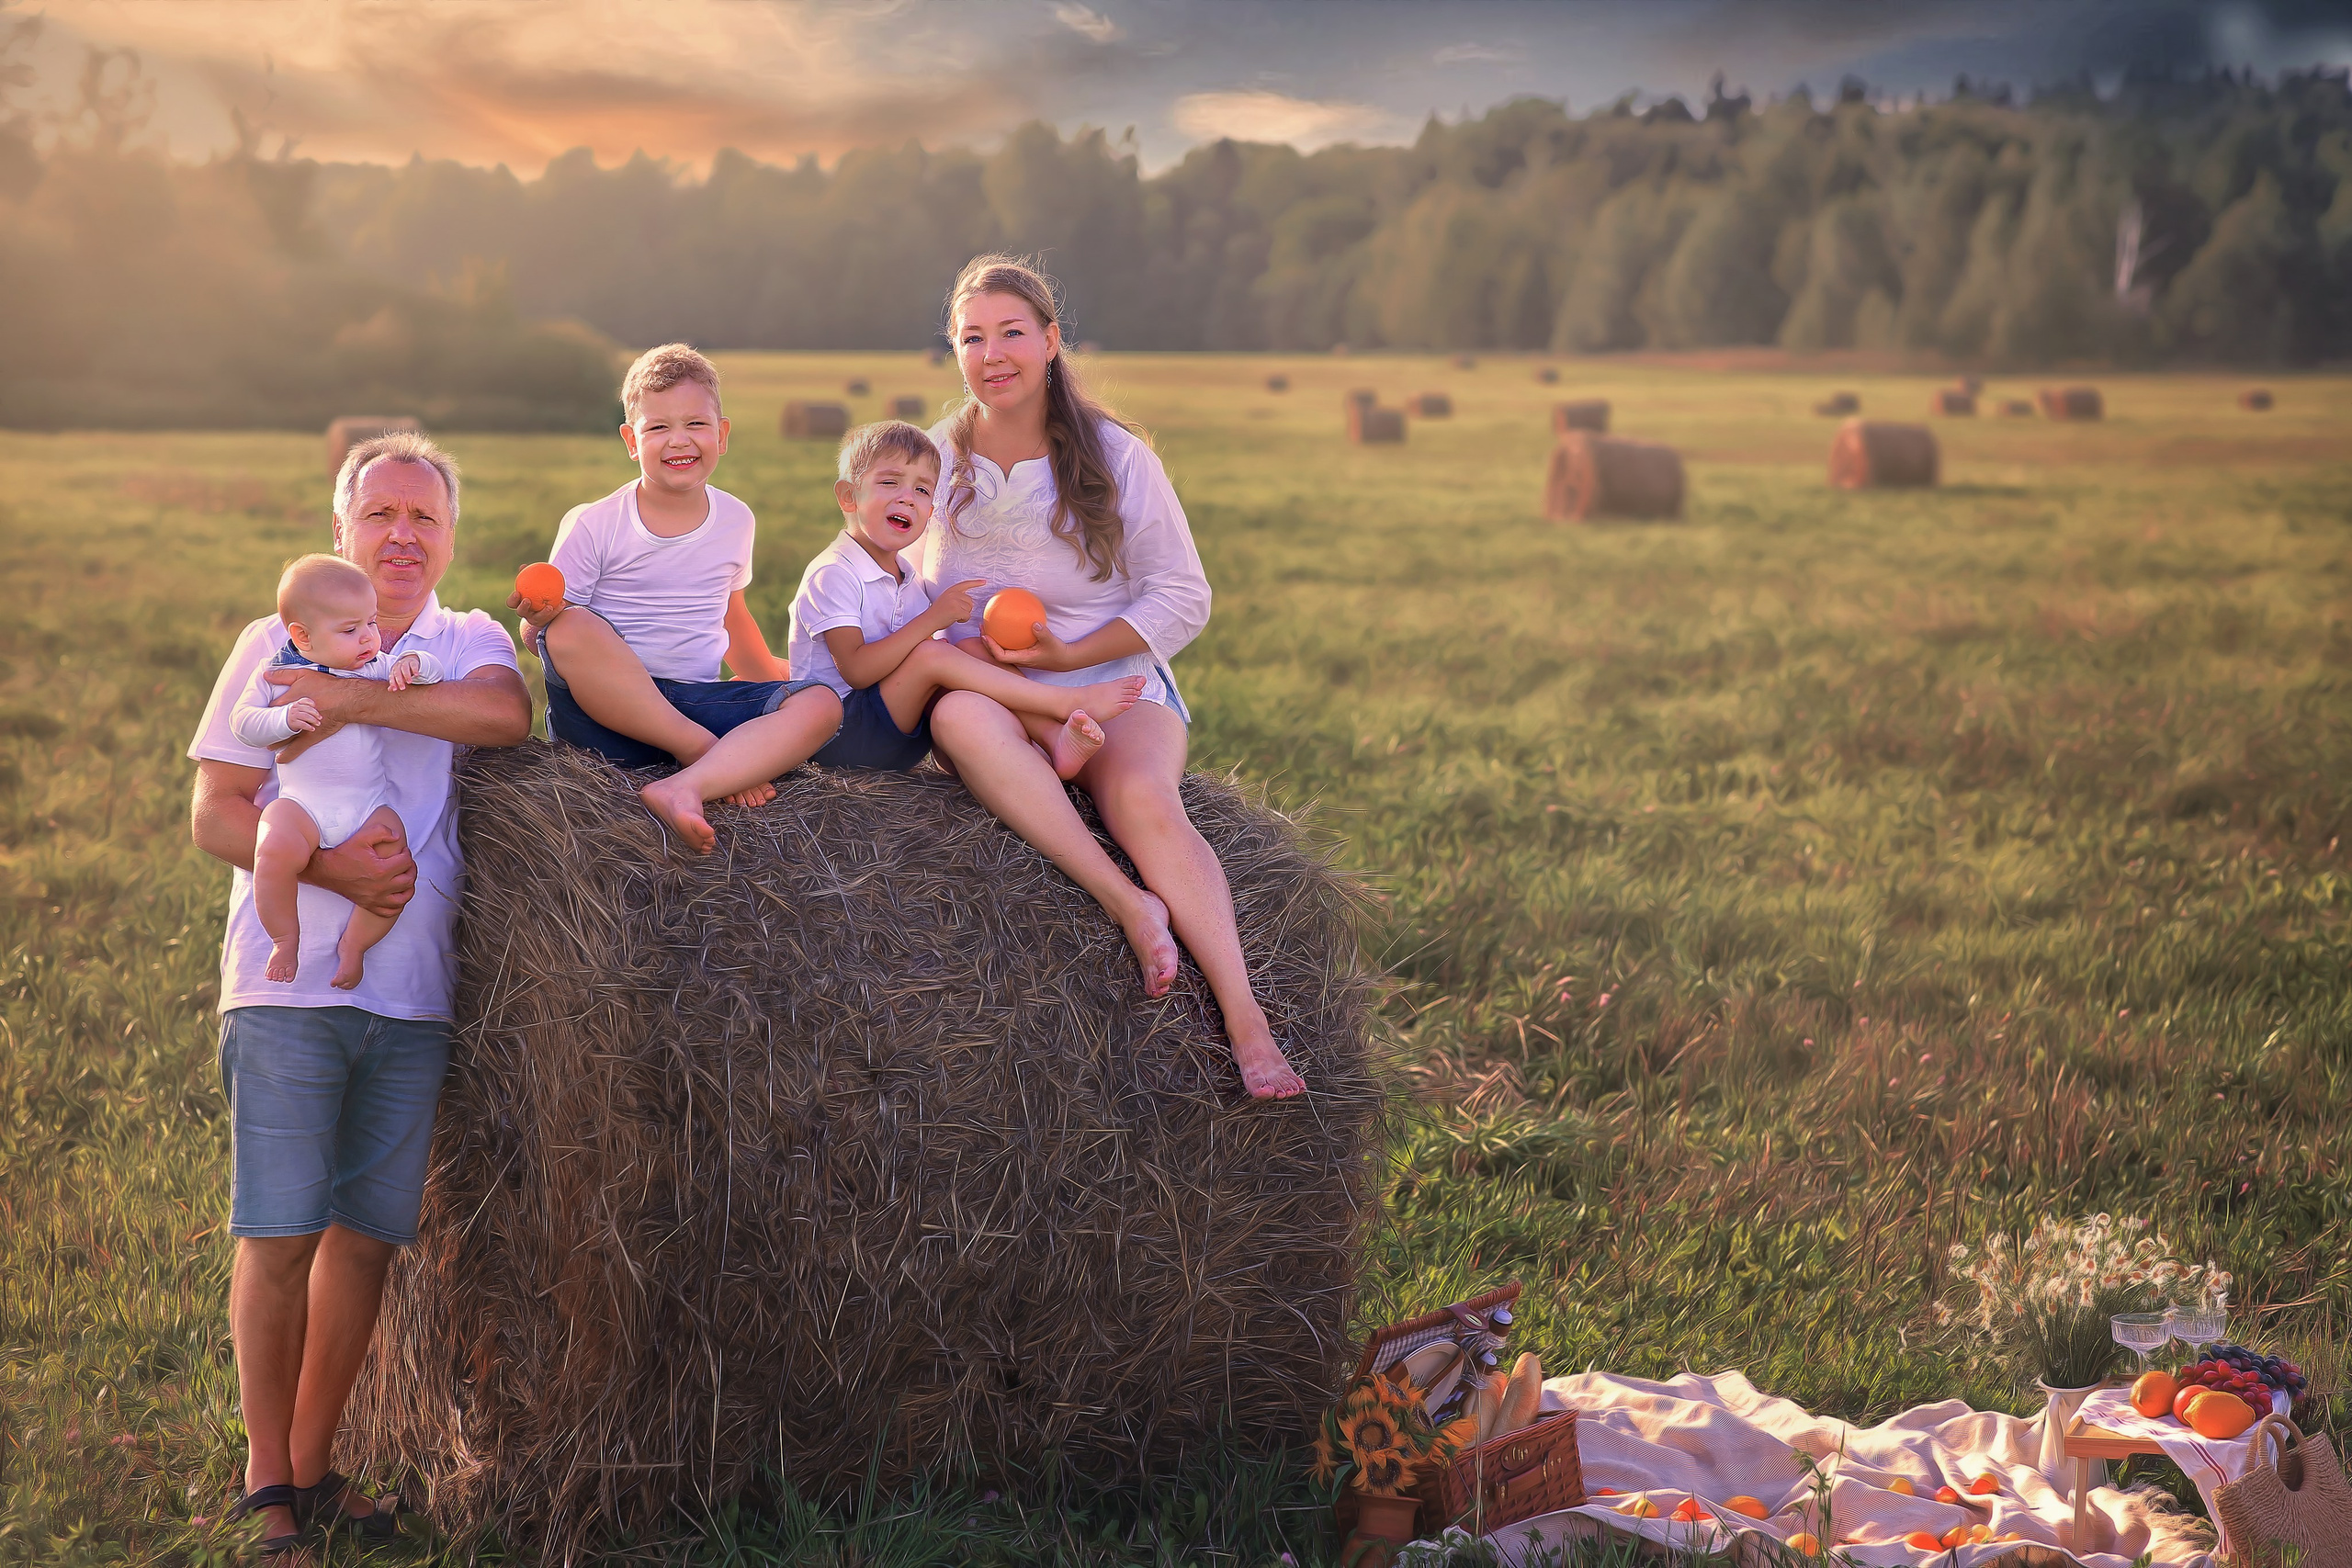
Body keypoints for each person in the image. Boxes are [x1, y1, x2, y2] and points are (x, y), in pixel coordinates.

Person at [188, 434, 532, 1555]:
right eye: (379, 513)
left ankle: (318, 1463)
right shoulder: (270, 638)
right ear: (342, 530)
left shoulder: (465, 638)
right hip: (288, 985)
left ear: (448, 538)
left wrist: (352, 697)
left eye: (424, 517)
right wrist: (330, 868)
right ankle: (265, 1484)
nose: (401, 534)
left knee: (367, 1239)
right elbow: (218, 811)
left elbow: (501, 717)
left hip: (414, 989)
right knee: (280, 1229)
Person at [917, 254, 1306, 1100]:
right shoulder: (937, 463)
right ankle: (1128, 903)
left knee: (1140, 802)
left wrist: (1069, 657)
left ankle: (1247, 1020)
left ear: (1052, 341)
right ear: (953, 350)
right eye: (972, 337)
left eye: (1012, 332)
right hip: (993, 690)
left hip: (1115, 679)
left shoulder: (1116, 456)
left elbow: (1183, 594)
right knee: (957, 722)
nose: (994, 354)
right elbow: (897, 584)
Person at [638, 420, 1146, 851]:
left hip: (894, 736)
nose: (908, 496)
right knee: (933, 656)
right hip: (838, 733)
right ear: (848, 497)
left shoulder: (907, 576)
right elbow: (857, 669)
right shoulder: (834, 573)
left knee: (965, 648)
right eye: (889, 482)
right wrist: (932, 621)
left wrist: (951, 631)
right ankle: (1064, 702)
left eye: (923, 490)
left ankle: (1053, 740)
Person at [516, 343, 841, 809]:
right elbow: (544, 639)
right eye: (659, 427)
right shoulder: (595, 523)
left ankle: (684, 786)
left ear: (722, 434)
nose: (679, 440)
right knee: (571, 626)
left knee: (820, 703)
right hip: (602, 716)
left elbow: (732, 619)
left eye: (696, 424)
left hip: (694, 700)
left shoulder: (736, 519)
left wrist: (775, 681)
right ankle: (706, 757)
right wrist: (539, 619)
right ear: (631, 441)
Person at [231, 554, 444, 989]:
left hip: (367, 805)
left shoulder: (373, 665)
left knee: (397, 871)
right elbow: (244, 722)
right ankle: (285, 938)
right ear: (302, 636)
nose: (368, 637)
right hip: (303, 804)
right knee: (271, 850)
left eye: (370, 623)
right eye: (351, 629)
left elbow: (433, 676)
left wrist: (415, 665)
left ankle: (355, 946)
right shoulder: (278, 672)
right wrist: (285, 720)